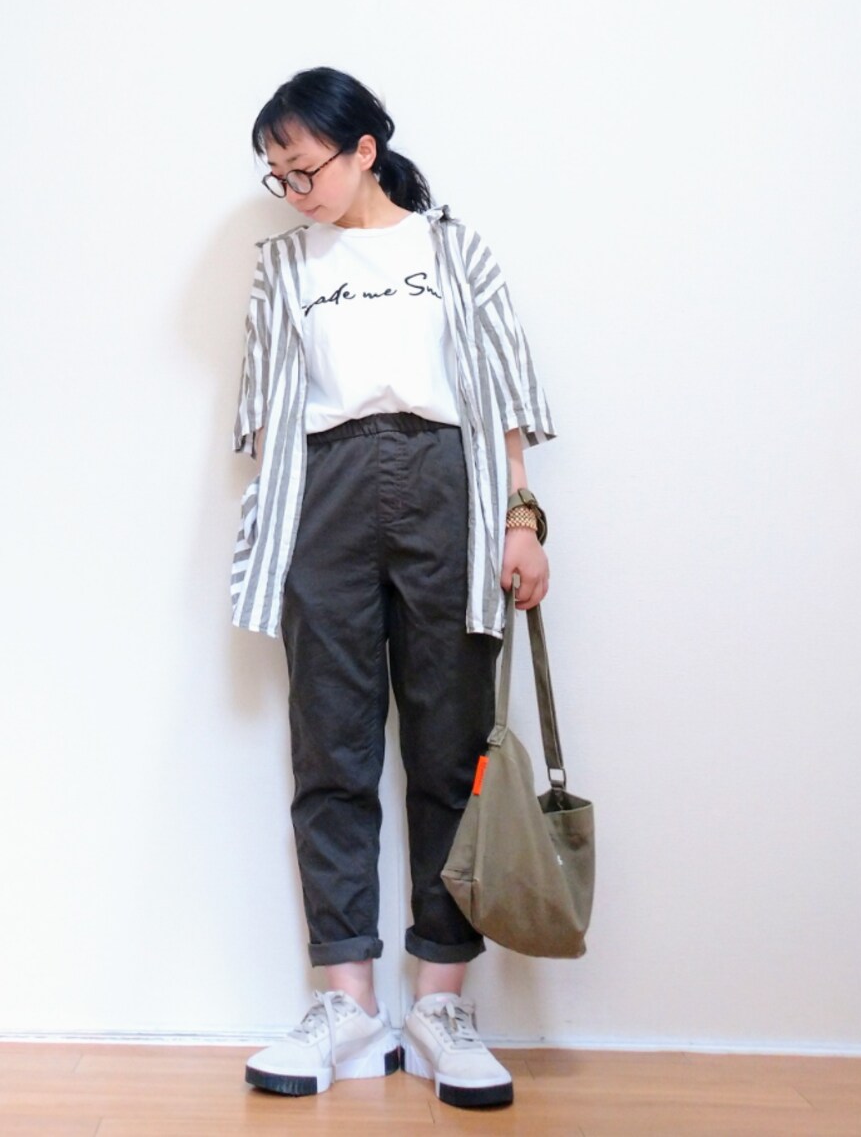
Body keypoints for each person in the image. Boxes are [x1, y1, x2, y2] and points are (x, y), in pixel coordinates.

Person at [230, 66, 555, 1109]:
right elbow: (268, 419)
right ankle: (350, 1006)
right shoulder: (283, 266)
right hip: (322, 493)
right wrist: (279, 536)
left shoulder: (453, 250)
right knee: (330, 749)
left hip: (445, 486)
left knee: (449, 751)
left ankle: (440, 1003)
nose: (293, 191)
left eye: (304, 168)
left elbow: (504, 396)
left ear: (364, 148)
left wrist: (520, 518)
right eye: (277, 176)